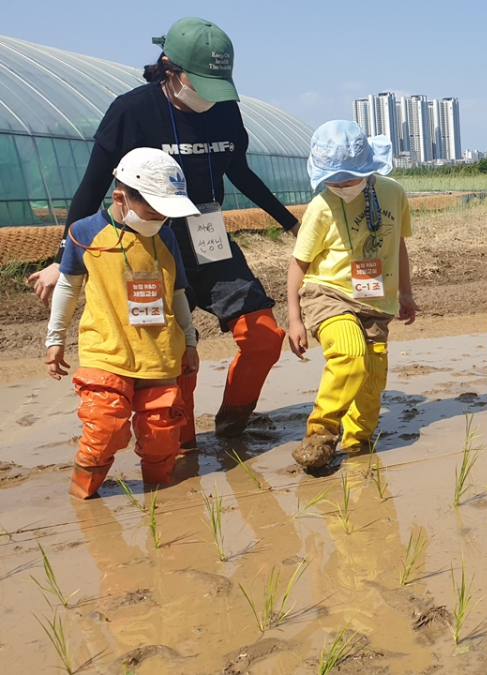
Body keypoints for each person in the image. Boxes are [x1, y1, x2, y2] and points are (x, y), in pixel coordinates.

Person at [27, 18, 293, 447]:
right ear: (170, 70)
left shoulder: (224, 108)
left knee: (262, 335)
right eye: (201, 81)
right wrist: (63, 257)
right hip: (148, 239)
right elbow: (93, 185)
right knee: (172, 353)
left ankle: (233, 421)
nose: (210, 93)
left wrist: (292, 224)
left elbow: (239, 170)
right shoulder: (131, 111)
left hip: (208, 235)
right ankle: (178, 441)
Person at [45, 149, 201, 498]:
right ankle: (83, 498)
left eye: (165, 214)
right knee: (105, 427)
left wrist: (189, 341)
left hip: (159, 353)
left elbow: (177, 292)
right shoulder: (84, 233)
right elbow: (68, 289)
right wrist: (54, 339)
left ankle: (160, 499)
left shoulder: (166, 235)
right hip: (106, 349)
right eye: (152, 212)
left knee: (161, 434)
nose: (159, 219)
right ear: (121, 197)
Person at [286, 121, 418, 470]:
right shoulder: (321, 206)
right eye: (333, 180)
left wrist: (406, 292)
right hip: (327, 294)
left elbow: (398, 245)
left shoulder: (394, 193)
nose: (342, 186)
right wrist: (294, 319)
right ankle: (320, 434)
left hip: (377, 301)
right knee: (349, 354)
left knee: (372, 378)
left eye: (349, 178)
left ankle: (358, 446)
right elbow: (298, 265)